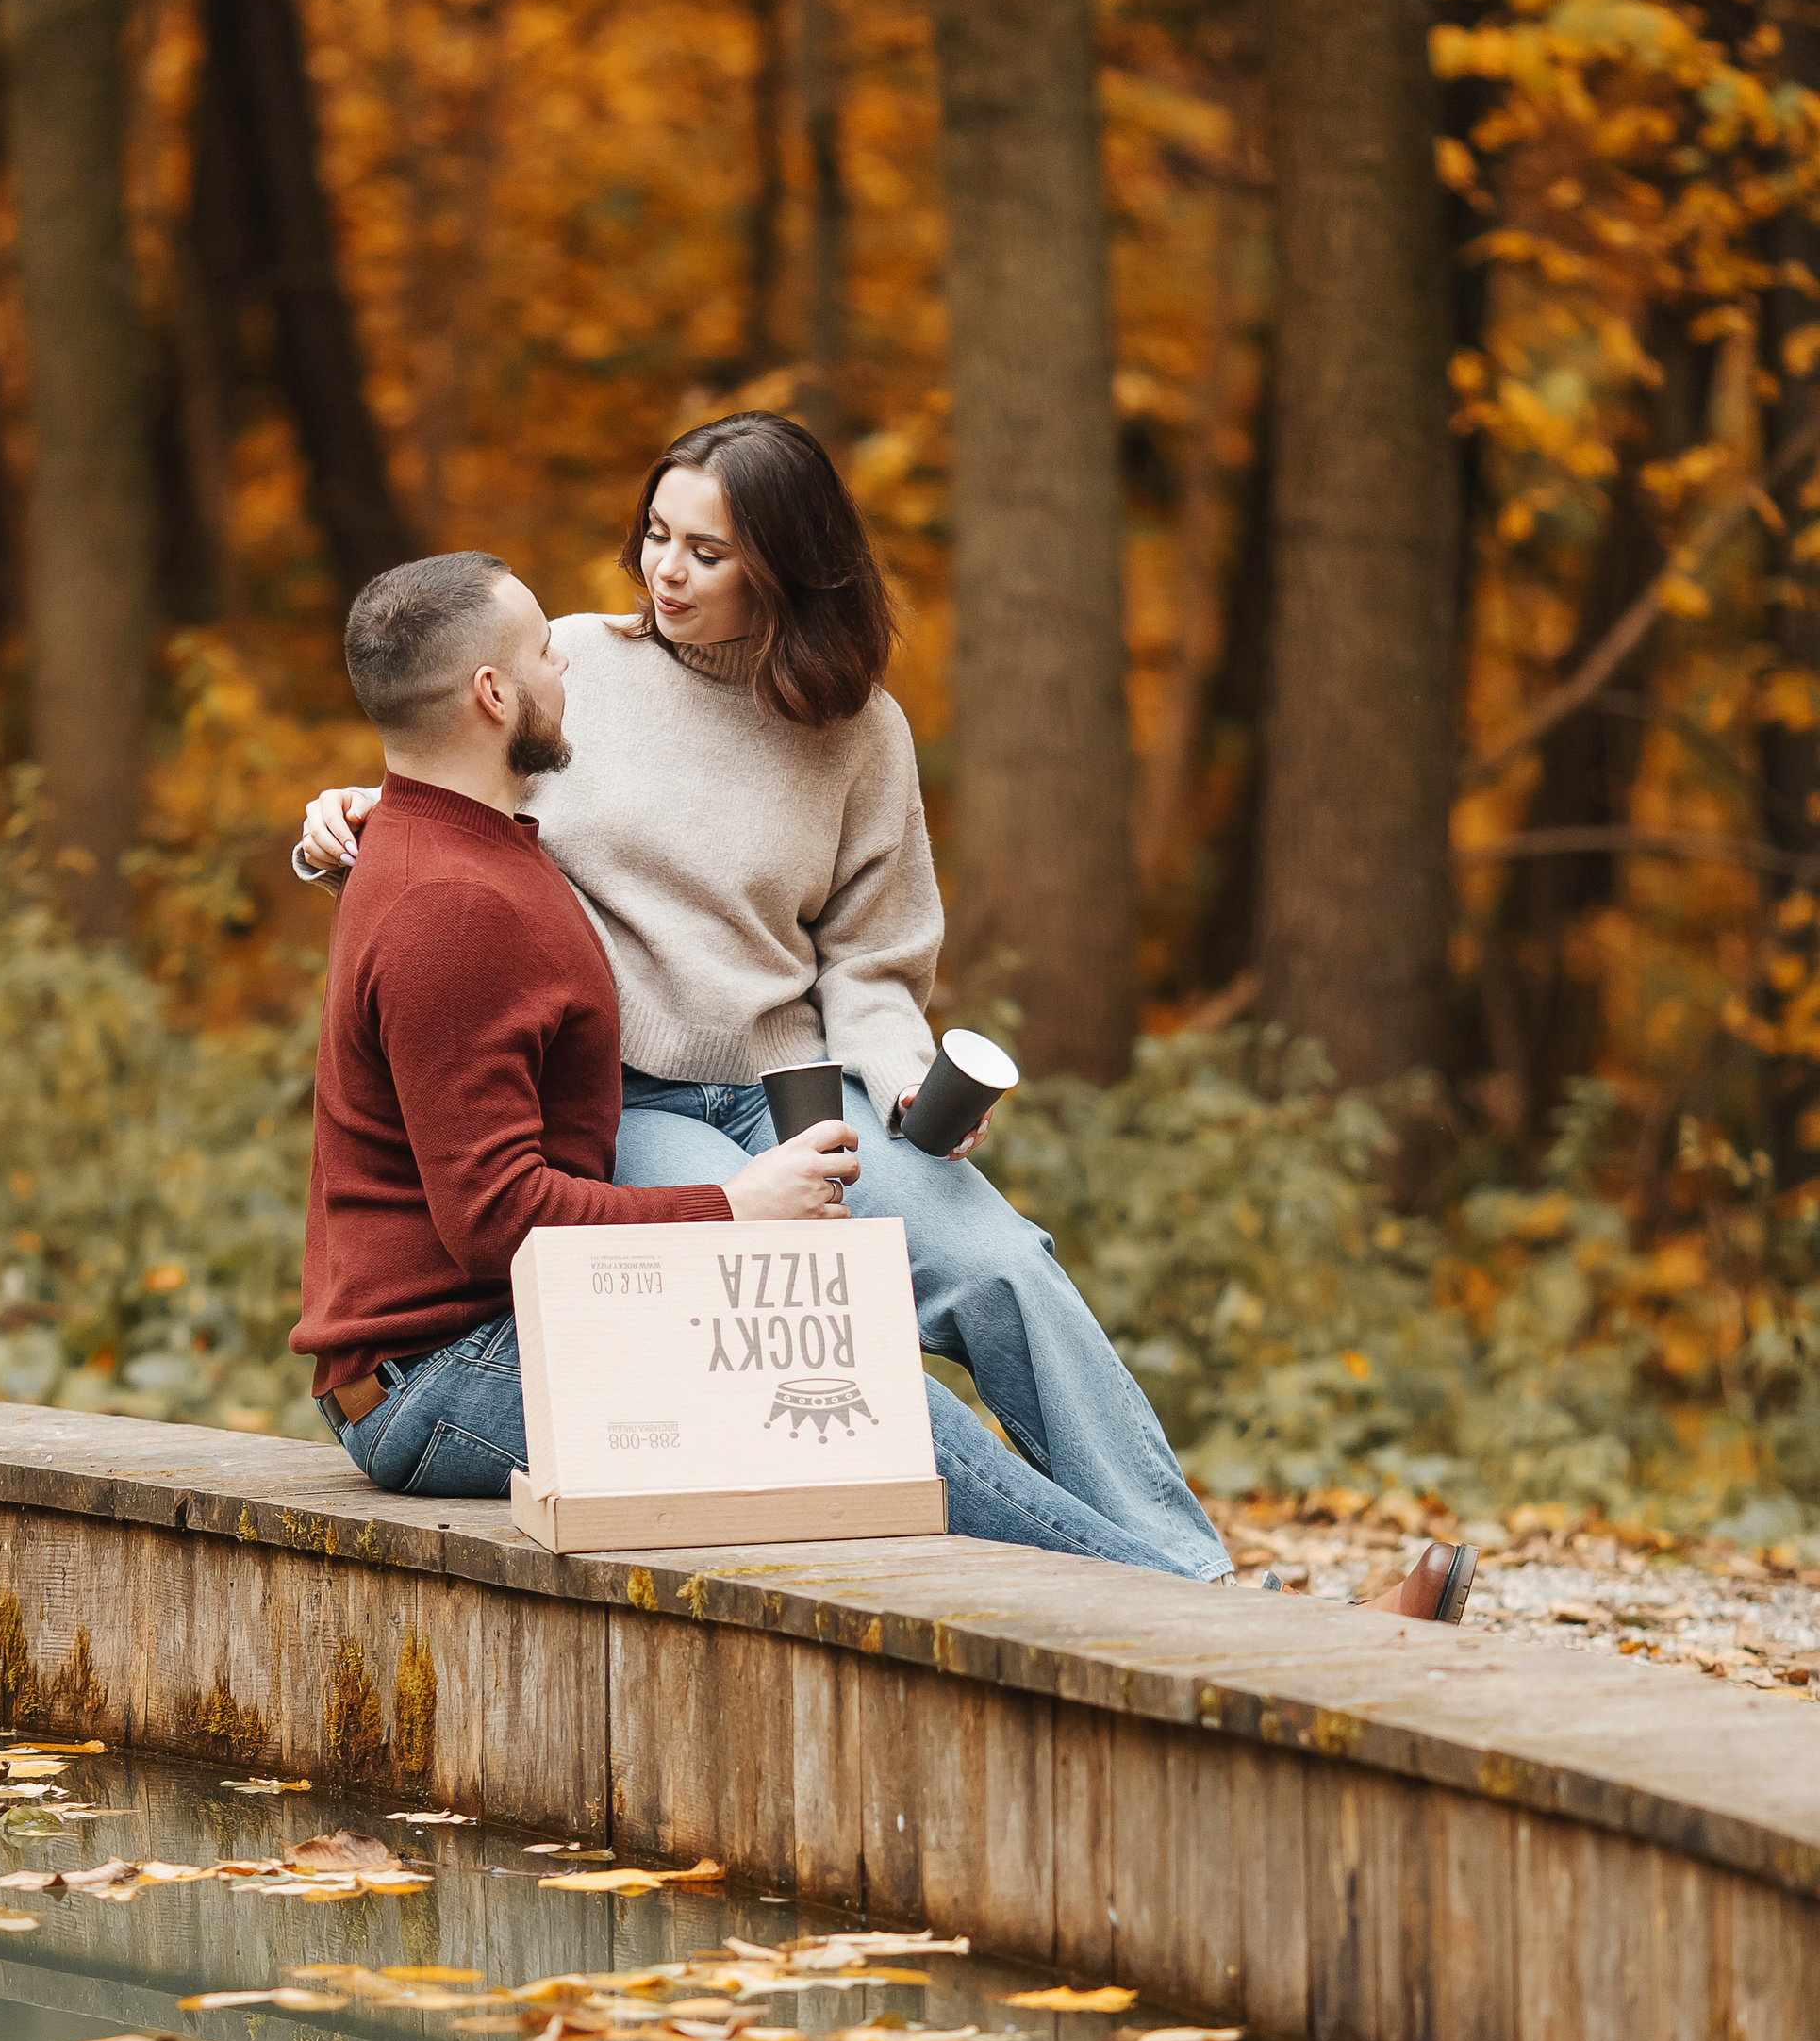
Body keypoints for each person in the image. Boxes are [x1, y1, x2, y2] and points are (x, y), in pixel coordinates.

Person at [298, 419, 1475, 1622]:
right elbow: (454, 789)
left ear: (785, 563)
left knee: (1000, 1265)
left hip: (793, 1081)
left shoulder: (857, 730)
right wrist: (350, 817)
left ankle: (1196, 1575)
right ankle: (1216, 1614)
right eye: (655, 536)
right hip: (633, 1102)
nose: (664, 573)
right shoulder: (574, 670)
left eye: (706, 552)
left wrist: (906, 1078)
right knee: (810, 1321)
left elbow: (870, 956)